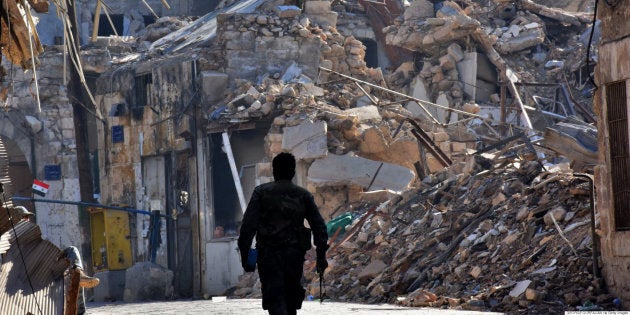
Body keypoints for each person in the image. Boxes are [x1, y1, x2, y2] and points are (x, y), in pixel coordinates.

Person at [238, 152, 329, 315]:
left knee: (275, 300)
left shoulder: (261, 193)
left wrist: (246, 257)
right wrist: (321, 255)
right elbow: (319, 226)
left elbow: (247, 227)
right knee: (291, 300)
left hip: (268, 257)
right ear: (293, 172)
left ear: (274, 171)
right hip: (294, 256)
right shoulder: (303, 195)